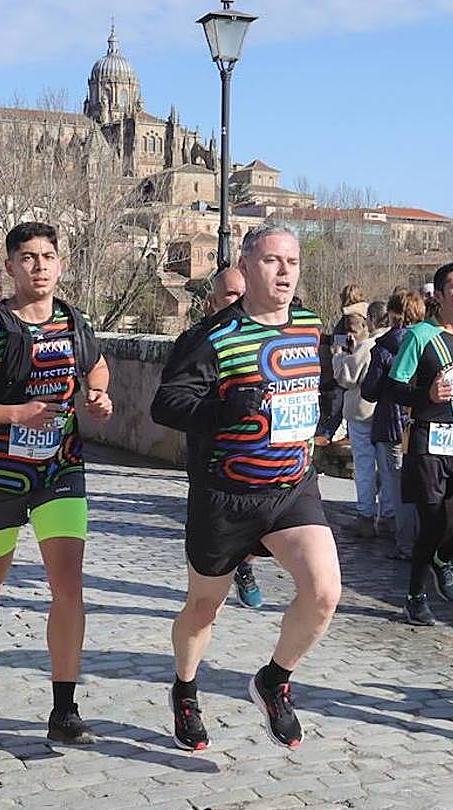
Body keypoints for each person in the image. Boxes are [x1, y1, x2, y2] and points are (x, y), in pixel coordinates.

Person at [152, 222, 341, 752]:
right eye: (272, 261)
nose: (284, 272)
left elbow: (323, 383)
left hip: (291, 488)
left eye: (293, 262)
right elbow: (166, 405)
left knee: (325, 592)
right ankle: (185, 689)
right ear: (246, 265)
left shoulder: (309, 326)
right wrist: (223, 409)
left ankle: (274, 680)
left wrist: (326, 417)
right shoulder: (212, 337)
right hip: (225, 495)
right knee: (203, 608)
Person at [0, 221, 113, 742]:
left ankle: (64, 709)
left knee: (68, 586)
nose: (39, 266)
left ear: (60, 264)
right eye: (28, 257)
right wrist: (16, 413)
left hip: (59, 469)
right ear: (10, 266)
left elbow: (97, 366)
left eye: (47, 257)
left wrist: (98, 396)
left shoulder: (74, 322)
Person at [388, 262, 453, 626]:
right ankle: (415, 597)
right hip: (428, 441)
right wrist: (427, 395)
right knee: (432, 525)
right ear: (438, 295)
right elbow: (392, 388)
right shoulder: (420, 336)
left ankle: (442, 558)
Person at [202, 266, 267, 610]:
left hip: (263, 455)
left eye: (244, 293)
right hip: (215, 460)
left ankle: (245, 565)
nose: (239, 300)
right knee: (205, 592)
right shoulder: (199, 342)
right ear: (212, 302)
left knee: (264, 526)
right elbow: (171, 404)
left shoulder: (268, 335)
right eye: (231, 294)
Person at [362, 291, 424, 562]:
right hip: (421, 421)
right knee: (424, 484)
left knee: (398, 488)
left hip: (392, 424)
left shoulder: (386, 346)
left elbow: (370, 391)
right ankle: (426, 540)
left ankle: (406, 544)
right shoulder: (429, 341)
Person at [332, 307, 385, 537]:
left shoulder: (368, 346)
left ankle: (366, 515)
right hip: (384, 414)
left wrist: (338, 356)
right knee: (387, 468)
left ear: (370, 321)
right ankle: (388, 515)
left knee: (364, 466)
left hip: (363, 413)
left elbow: (346, 378)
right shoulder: (395, 340)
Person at [314, 284, 366, 445]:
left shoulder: (353, 316)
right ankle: (336, 433)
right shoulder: (359, 314)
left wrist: (336, 344)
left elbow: (355, 338)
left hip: (347, 360)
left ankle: (328, 433)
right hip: (350, 358)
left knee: (340, 398)